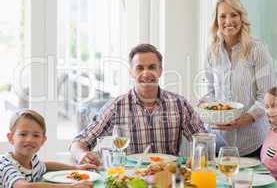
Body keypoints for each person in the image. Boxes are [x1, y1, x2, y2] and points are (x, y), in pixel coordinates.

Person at [70, 43, 207, 165]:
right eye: (139, 68)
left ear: (160, 70)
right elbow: (80, 142)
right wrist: (82, 154)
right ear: (131, 72)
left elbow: (203, 139)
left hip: (167, 177)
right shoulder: (116, 107)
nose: (146, 73)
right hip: (128, 178)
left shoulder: (179, 104)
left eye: (152, 67)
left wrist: (198, 157)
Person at [200, 0, 275, 157]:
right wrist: (204, 105)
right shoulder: (211, 52)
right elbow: (210, 92)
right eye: (223, 16)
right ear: (216, 21)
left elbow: (267, 96)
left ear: (241, 18)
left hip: (252, 141)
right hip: (219, 141)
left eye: (234, 15)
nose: (228, 21)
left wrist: (243, 120)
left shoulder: (257, 49)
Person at [0, 109, 96, 188]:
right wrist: (71, 187)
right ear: (10, 138)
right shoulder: (6, 165)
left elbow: (46, 165)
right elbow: (24, 187)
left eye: (36, 135)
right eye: (23, 134)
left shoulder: (33, 161)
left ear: (43, 141)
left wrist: (76, 168)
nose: (29, 139)